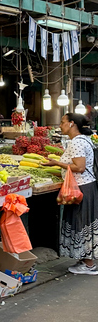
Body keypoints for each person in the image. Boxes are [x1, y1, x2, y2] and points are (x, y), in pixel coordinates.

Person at [43, 113, 98, 275]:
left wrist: (56, 163)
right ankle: (85, 260)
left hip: (82, 189)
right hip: (85, 187)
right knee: (81, 223)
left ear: (72, 124)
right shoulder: (82, 140)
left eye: (62, 122)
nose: (60, 125)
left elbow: (79, 167)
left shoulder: (77, 142)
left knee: (82, 223)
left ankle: (89, 264)